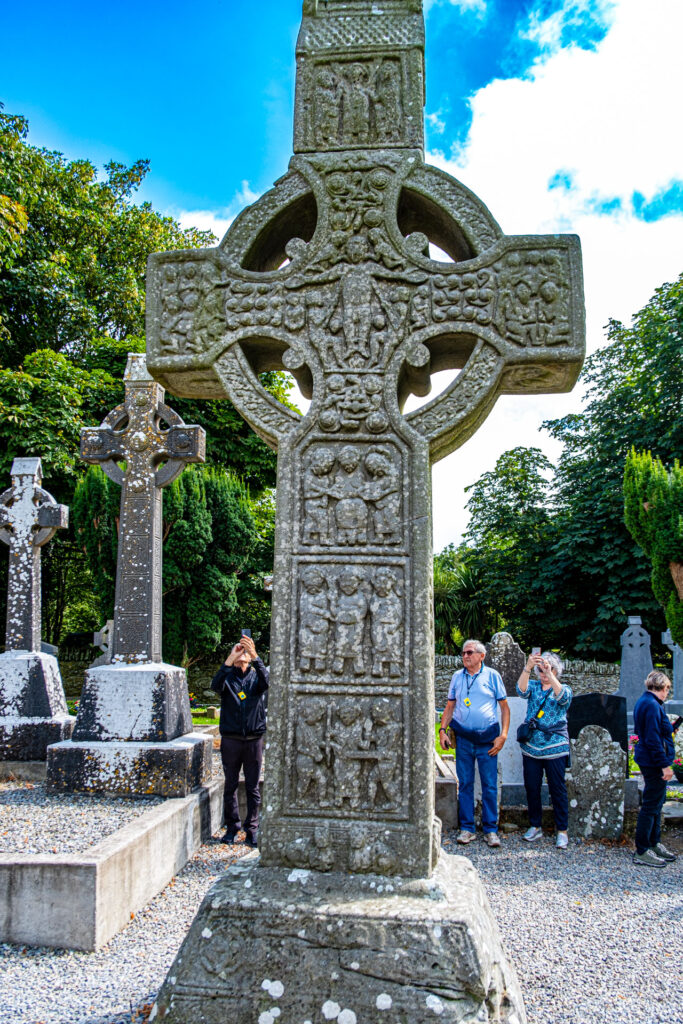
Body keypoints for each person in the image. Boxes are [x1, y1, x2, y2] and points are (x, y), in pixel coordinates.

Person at [439, 639, 509, 847]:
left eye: (469, 652)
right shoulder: (457, 677)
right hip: (464, 738)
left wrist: (503, 735)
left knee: (489, 785)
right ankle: (467, 828)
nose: (465, 656)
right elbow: (450, 706)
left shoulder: (492, 676)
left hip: (487, 739)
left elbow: (504, 707)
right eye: (463, 653)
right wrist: (442, 731)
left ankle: (490, 829)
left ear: (481, 656)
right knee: (465, 783)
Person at [211, 633, 269, 847]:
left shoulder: (255, 678)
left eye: (245, 652)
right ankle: (232, 827)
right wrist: (229, 659)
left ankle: (252, 829)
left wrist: (255, 655)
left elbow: (267, 681)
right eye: (239, 651)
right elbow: (215, 685)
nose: (242, 653)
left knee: (253, 787)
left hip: (253, 739)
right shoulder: (228, 678)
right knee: (231, 785)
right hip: (231, 739)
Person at [516, 651, 572, 849]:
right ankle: (535, 825)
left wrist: (550, 674)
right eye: (540, 669)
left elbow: (563, 698)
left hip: (555, 746)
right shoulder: (534, 686)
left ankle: (562, 830)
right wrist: (528, 667)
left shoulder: (563, 688)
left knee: (557, 788)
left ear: (557, 670)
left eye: (548, 668)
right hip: (532, 746)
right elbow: (521, 690)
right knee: (532, 787)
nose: (543, 672)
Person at [632, 670, 676, 867]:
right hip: (653, 762)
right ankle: (642, 850)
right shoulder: (651, 705)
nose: (667, 692)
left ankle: (654, 842)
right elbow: (652, 739)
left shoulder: (646, 701)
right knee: (651, 805)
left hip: (650, 759)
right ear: (662, 687)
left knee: (657, 803)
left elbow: (652, 731)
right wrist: (664, 765)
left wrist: (669, 728)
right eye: (667, 688)